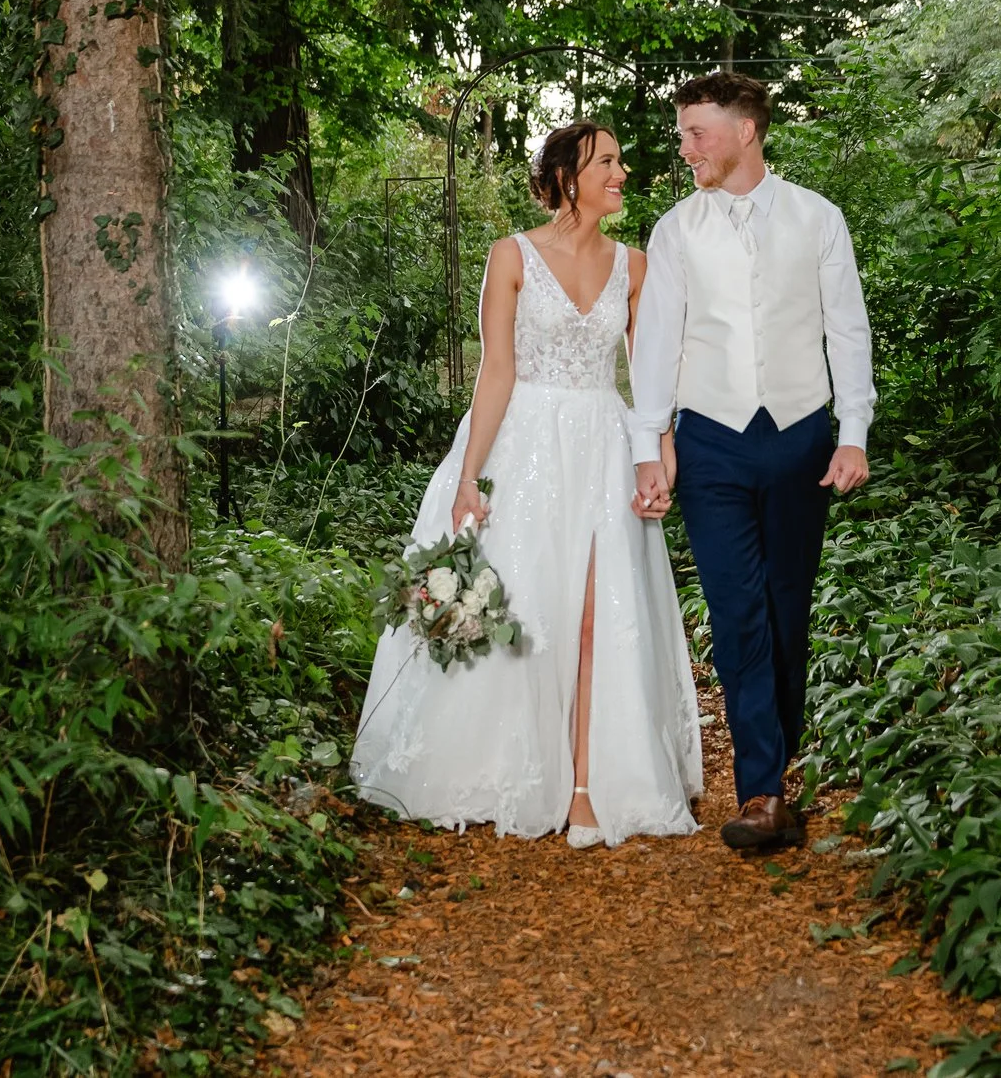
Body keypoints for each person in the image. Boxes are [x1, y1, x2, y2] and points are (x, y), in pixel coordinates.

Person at [350, 123, 702, 847]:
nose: (622, 171)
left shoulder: (635, 266)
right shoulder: (509, 255)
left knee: (595, 612)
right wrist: (471, 474)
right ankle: (507, 763)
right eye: (609, 160)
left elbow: (651, 374)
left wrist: (660, 451)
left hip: (604, 443)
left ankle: (584, 786)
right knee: (526, 603)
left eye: (619, 159)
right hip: (526, 445)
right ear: (570, 174)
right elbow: (496, 371)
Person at [630, 72, 873, 853]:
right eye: (683, 133)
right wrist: (650, 446)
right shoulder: (675, 230)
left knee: (785, 607)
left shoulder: (818, 217)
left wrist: (853, 429)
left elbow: (848, 329)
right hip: (710, 440)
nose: (686, 147)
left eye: (698, 131)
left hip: (801, 434)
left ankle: (777, 765)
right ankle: (762, 791)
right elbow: (656, 345)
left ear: (746, 131)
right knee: (736, 612)